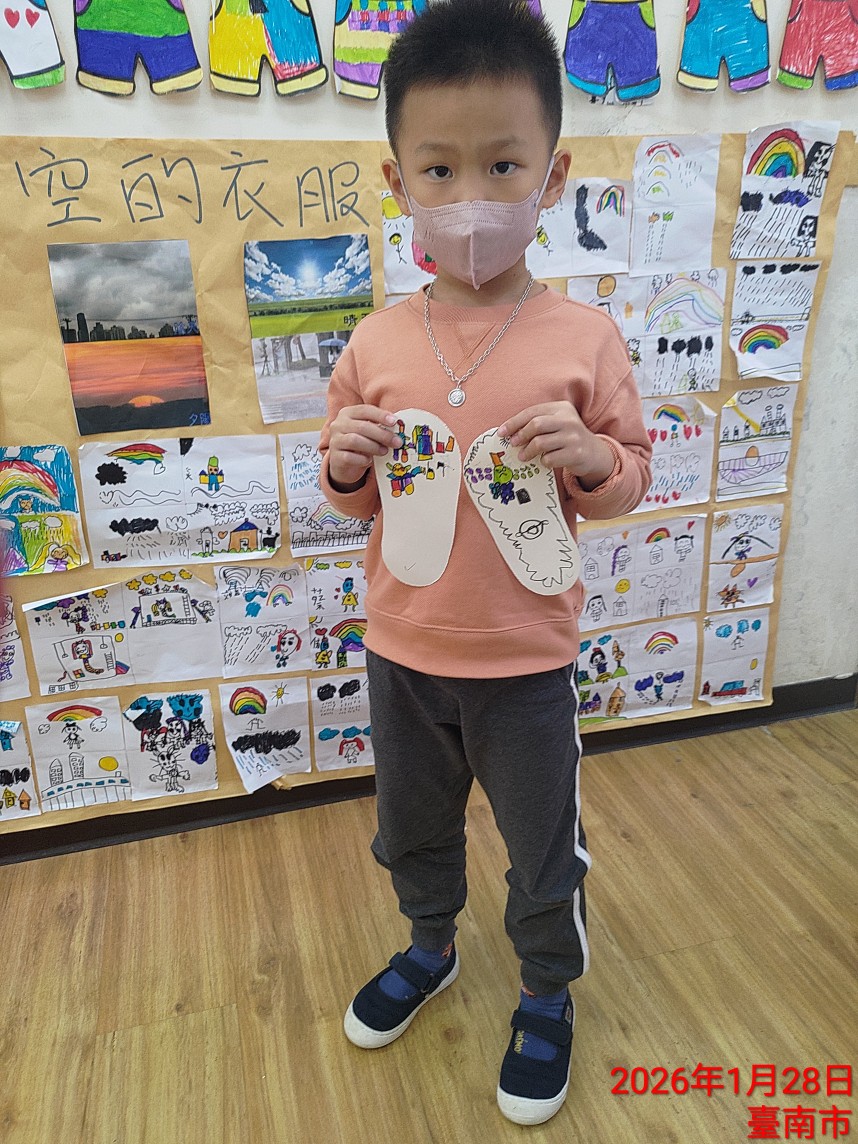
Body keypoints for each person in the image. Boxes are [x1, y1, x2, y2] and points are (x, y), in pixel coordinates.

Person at [318, 0, 651, 1127]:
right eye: (440, 168)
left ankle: (547, 990)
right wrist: (345, 461)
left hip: (525, 664)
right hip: (402, 652)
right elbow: (350, 492)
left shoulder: (585, 339)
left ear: (552, 178)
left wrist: (596, 457)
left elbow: (630, 476)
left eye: (503, 166)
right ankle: (430, 944)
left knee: (542, 845)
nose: (471, 196)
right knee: (411, 827)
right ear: (398, 179)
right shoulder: (375, 340)